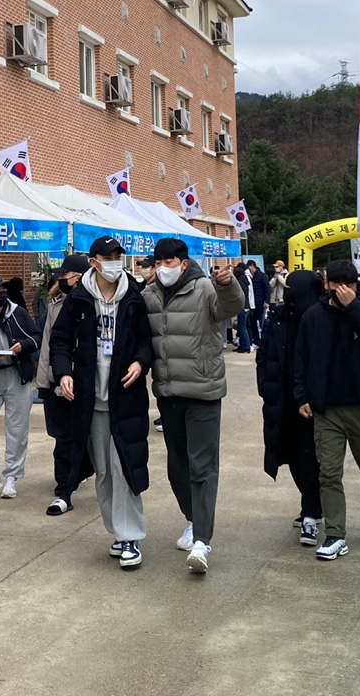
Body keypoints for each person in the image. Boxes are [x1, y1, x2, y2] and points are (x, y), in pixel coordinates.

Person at [51, 236, 155, 568]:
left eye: (117, 256)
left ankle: (131, 536)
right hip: (89, 399)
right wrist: (63, 373)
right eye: (107, 257)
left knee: (124, 467)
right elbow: (60, 340)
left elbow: (146, 340)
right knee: (104, 472)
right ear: (93, 262)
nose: (113, 262)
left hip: (125, 396)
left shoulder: (133, 295)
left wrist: (140, 362)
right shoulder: (79, 298)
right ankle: (118, 533)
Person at [143, 237, 244, 574]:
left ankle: (202, 540)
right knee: (177, 466)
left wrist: (227, 285)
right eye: (158, 262)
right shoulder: (149, 295)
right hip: (168, 393)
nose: (162, 268)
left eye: (168, 262)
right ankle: (190, 518)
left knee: (202, 466)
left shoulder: (204, 289)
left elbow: (231, 307)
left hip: (203, 391)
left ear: (183, 264)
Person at [293, 259, 360, 562]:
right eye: (335, 285)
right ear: (326, 285)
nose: (341, 291)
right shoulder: (313, 316)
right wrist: (301, 396)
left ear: (356, 285)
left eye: (347, 285)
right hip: (327, 409)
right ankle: (335, 534)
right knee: (329, 473)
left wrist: (353, 308)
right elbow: (301, 358)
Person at [257, 270, 324, 546]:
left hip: (311, 404)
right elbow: (264, 356)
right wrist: (266, 388)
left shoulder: (320, 318)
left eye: (291, 288)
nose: (287, 293)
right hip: (282, 400)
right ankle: (311, 505)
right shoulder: (278, 317)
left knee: (310, 458)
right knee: (291, 455)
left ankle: (310, 514)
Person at [0, 274, 41, 500]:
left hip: (16, 375)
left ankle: (12, 476)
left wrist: (23, 345)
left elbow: (36, 337)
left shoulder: (18, 312)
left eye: (3, 289)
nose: (2, 293)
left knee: (17, 430)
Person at [36, 255, 89, 513]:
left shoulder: (90, 303)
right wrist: (44, 381)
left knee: (85, 435)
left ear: (78, 278)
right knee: (61, 436)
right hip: (57, 380)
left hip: (84, 379)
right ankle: (63, 484)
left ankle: (80, 471)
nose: (60, 279)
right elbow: (48, 346)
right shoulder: (55, 305)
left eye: (65, 275)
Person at [247, 260, 271, 343]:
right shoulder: (249, 276)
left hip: (260, 302)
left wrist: (267, 301)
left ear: (253, 265)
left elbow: (268, 289)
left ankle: (265, 340)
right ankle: (256, 340)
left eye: (249, 267)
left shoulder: (262, 276)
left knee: (262, 322)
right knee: (252, 322)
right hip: (252, 303)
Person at [233, 262, 254, 354]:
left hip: (242, 306)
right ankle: (243, 345)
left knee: (242, 327)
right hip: (247, 306)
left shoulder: (240, 282)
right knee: (243, 327)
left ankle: (246, 346)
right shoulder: (246, 280)